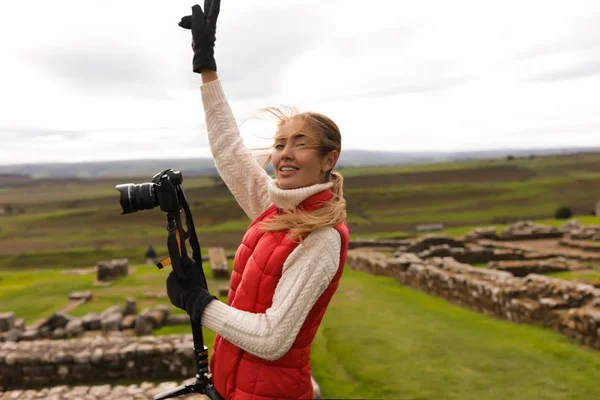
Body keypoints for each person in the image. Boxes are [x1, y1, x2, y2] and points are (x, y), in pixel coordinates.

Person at [166, 2, 349, 399]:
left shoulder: (322, 237)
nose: (284, 154)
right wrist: (206, 66)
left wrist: (201, 304)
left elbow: (272, 338)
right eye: (280, 144)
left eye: (300, 145)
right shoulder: (276, 208)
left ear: (327, 160)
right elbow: (230, 150)